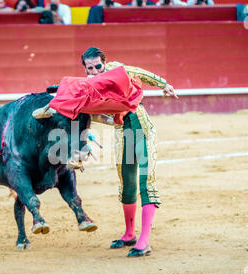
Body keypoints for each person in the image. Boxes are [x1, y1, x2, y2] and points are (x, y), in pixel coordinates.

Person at [33, 47, 177, 257]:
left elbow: (140, 72)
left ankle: (144, 241)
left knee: (147, 183)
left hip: (142, 131)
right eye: (90, 68)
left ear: (104, 63)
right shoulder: (88, 87)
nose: (94, 71)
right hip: (123, 134)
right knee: (127, 184)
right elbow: (93, 115)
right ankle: (129, 234)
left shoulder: (116, 70)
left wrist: (164, 84)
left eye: (98, 66)